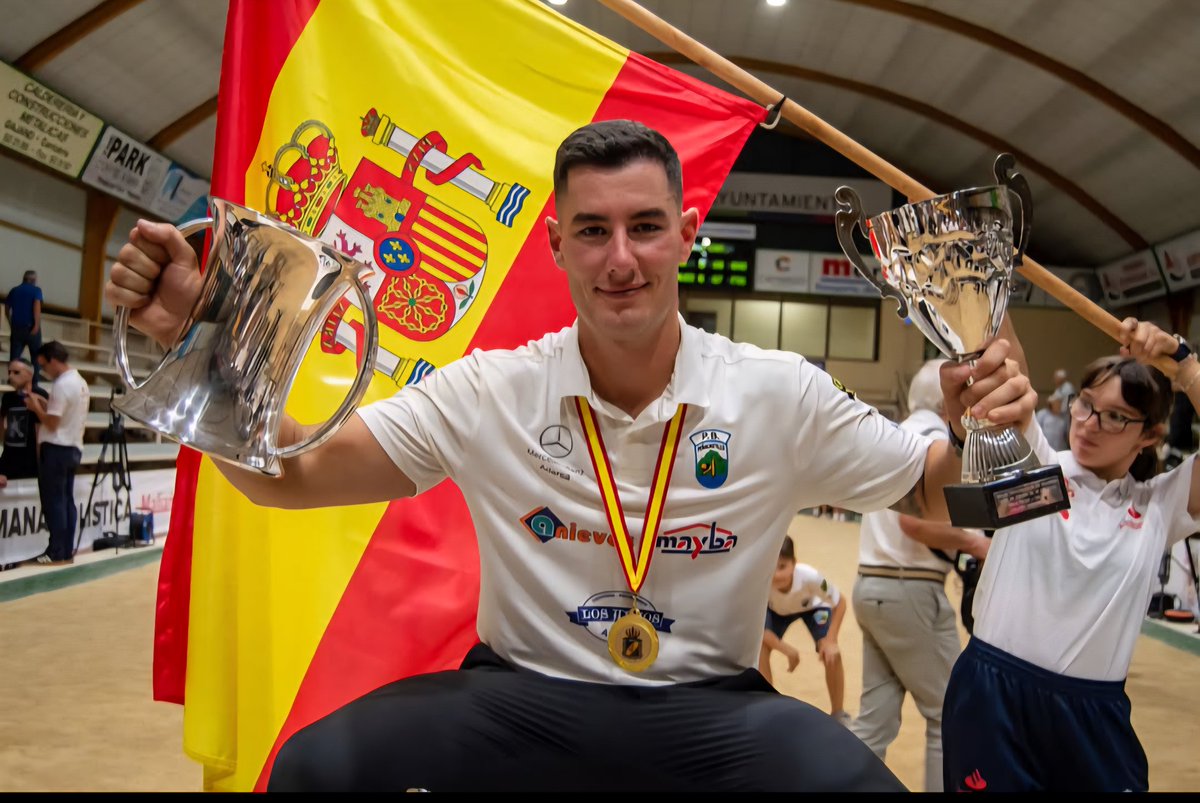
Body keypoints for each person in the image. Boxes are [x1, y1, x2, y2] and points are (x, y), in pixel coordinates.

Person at [106, 119, 1035, 793]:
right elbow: (291, 479)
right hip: (520, 701)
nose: (620, 256)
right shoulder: (490, 388)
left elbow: (935, 490)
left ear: (686, 235)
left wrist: (982, 427)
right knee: (315, 768)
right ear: (556, 243)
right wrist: (209, 339)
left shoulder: (775, 389)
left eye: (645, 226)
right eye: (592, 230)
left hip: (715, 711)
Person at [942, 316, 1200, 793]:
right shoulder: (1038, 462)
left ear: (1150, 435)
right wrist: (990, 259)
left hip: (1094, 716)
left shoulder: (1158, 506)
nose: (1088, 424)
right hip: (994, 698)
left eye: (1116, 416)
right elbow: (1001, 342)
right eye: (1086, 405)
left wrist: (1182, 363)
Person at [849, 358, 992, 792]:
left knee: (874, 723)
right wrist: (975, 543)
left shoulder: (894, 435)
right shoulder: (933, 441)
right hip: (908, 587)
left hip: (873, 584)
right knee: (947, 713)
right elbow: (913, 522)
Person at [759, 536, 850, 726]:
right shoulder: (760, 580)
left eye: (783, 566)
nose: (776, 574)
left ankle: (838, 713)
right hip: (775, 611)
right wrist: (788, 650)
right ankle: (765, 708)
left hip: (813, 609)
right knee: (760, 647)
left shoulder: (813, 578)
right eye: (772, 566)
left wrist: (830, 640)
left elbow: (840, 601)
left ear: (794, 563)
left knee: (832, 653)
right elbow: (758, 630)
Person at [24, 341, 89, 566]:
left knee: (55, 502)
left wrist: (35, 408)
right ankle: (65, 549)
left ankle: (56, 550)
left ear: (52, 360)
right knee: (67, 500)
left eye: (44, 366)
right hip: (73, 446)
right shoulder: (80, 382)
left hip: (57, 447)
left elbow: (51, 422)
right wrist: (45, 404)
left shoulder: (62, 385)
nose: (44, 371)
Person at [0, 358, 49, 488]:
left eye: (16, 372)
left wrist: (41, 465)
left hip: (30, 461)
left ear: (29, 374)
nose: (10, 376)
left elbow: (41, 430)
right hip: (9, 458)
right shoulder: (7, 397)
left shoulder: (39, 395)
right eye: (9, 372)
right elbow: (3, 426)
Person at [5, 270, 43, 364]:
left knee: (14, 358)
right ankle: (35, 378)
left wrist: (10, 322)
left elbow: (6, 309)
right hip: (31, 327)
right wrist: (36, 325)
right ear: (33, 280)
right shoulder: (36, 290)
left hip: (17, 328)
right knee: (36, 358)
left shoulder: (14, 290)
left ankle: (13, 377)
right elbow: (36, 307)